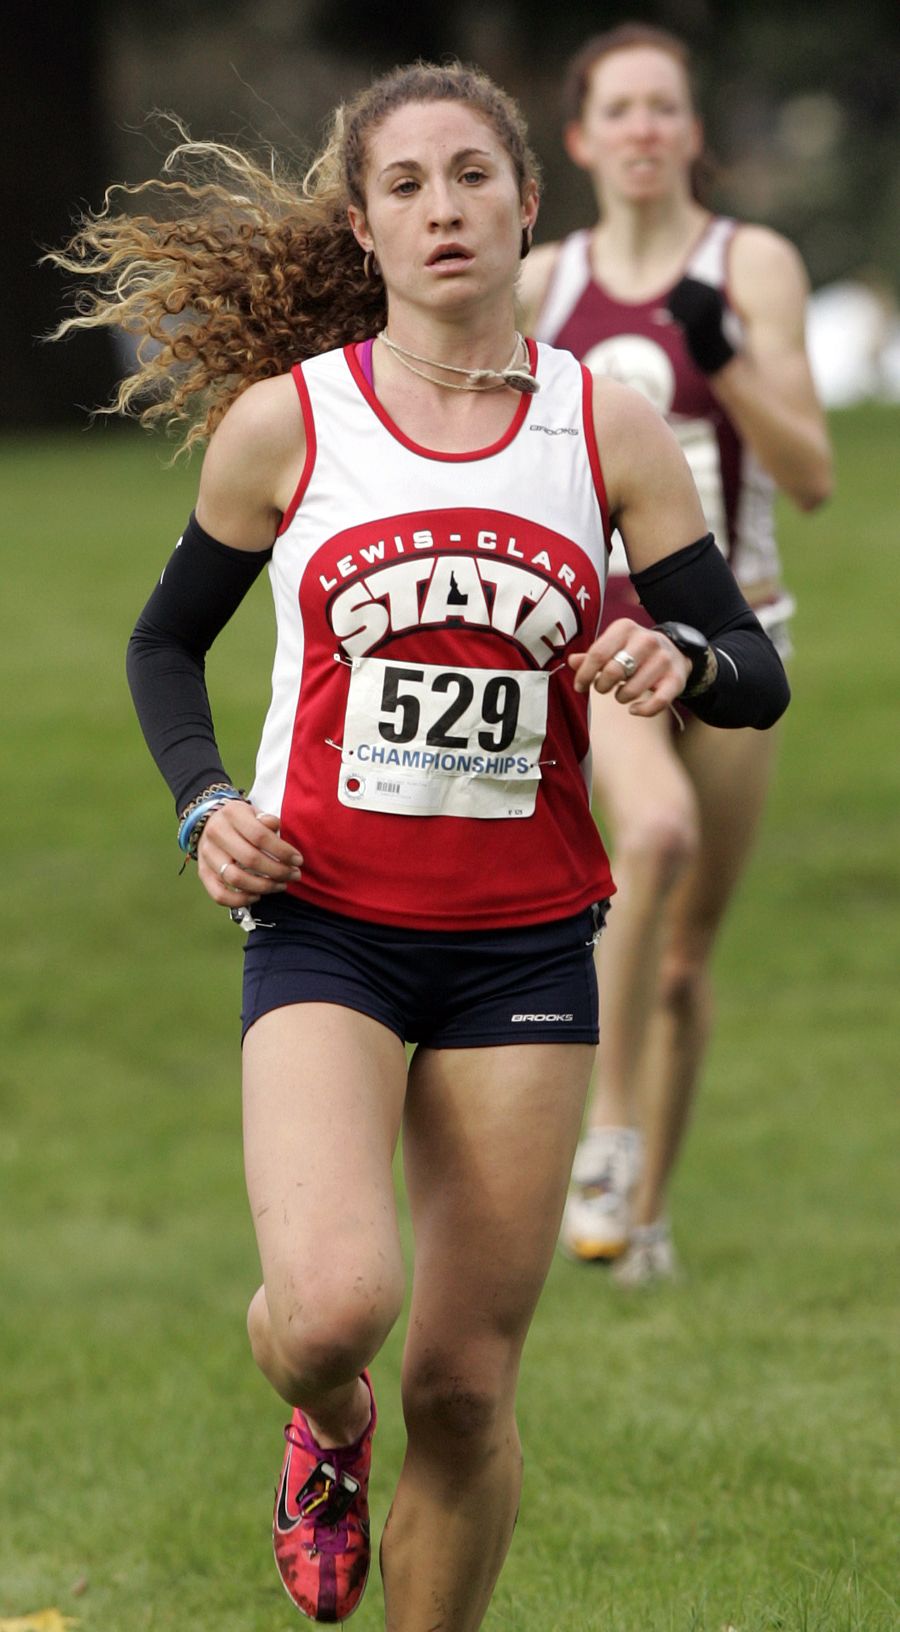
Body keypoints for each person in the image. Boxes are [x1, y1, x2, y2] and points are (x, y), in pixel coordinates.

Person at [49, 60, 789, 1628]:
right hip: (325, 924)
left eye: (473, 175)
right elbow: (162, 647)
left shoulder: (612, 425)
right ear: (365, 227)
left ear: (531, 201)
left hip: (526, 942)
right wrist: (203, 803)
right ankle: (323, 1426)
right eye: (406, 184)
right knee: (335, 1311)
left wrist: (685, 663)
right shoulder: (288, 425)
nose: (444, 207)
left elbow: (753, 661)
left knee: (463, 1387)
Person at [519, 24, 832, 1285]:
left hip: (744, 627)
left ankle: (640, 1216)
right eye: (622, 110)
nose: (646, 129)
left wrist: (722, 358)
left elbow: (810, 473)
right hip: (606, 636)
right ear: (583, 138)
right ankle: (600, 1138)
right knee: (648, 838)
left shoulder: (750, 262)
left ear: (692, 134)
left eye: (667, 108)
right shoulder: (545, 282)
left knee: (689, 957)